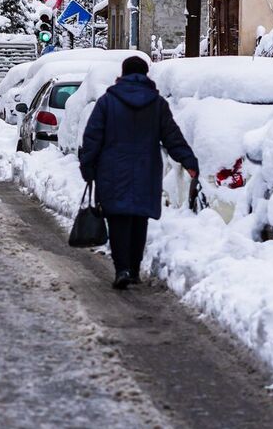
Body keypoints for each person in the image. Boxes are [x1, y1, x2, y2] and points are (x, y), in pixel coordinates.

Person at [78, 55, 198, 290]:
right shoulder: (157, 104)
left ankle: (122, 268)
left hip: (112, 171)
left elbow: (92, 137)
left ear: (122, 74)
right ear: (146, 75)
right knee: (138, 219)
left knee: (118, 219)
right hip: (146, 169)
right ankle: (133, 268)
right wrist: (189, 160)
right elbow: (172, 136)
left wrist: (88, 167)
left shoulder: (107, 102)